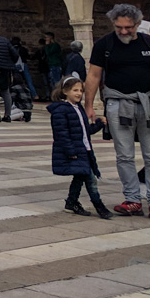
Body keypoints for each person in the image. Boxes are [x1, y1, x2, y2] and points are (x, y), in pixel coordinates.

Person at [84, 3, 150, 218]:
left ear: (137, 24)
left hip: (147, 103)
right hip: (117, 102)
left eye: (128, 27)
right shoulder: (104, 44)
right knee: (124, 155)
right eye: (119, 27)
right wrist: (89, 105)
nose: (124, 32)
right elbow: (94, 75)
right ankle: (133, 199)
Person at [50, 73, 112, 218]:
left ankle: (71, 203)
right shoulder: (60, 110)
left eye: (81, 91)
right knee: (90, 178)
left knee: (80, 177)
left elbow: (84, 131)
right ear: (65, 91)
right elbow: (61, 134)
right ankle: (99, 206)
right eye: (75, 90)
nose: (79, 93)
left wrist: (98, 125)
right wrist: (70, 151)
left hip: (84, 149)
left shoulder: (78, 109)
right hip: (75, 151)